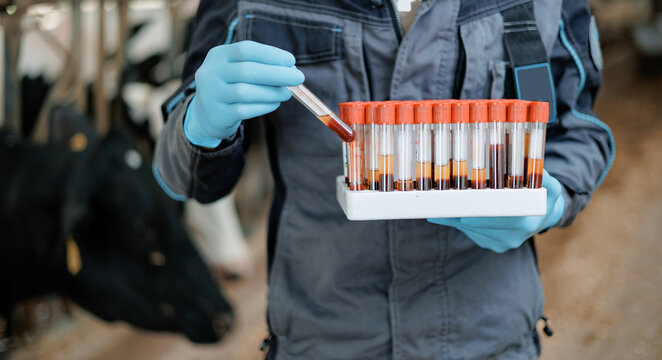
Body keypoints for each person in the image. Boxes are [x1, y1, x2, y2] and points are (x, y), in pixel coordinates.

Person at [153, 0, 614, 358]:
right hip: (325, 340)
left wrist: (552, 193)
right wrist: (201, 127)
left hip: (490, 340)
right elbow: (182, 178)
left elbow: (576, 128)